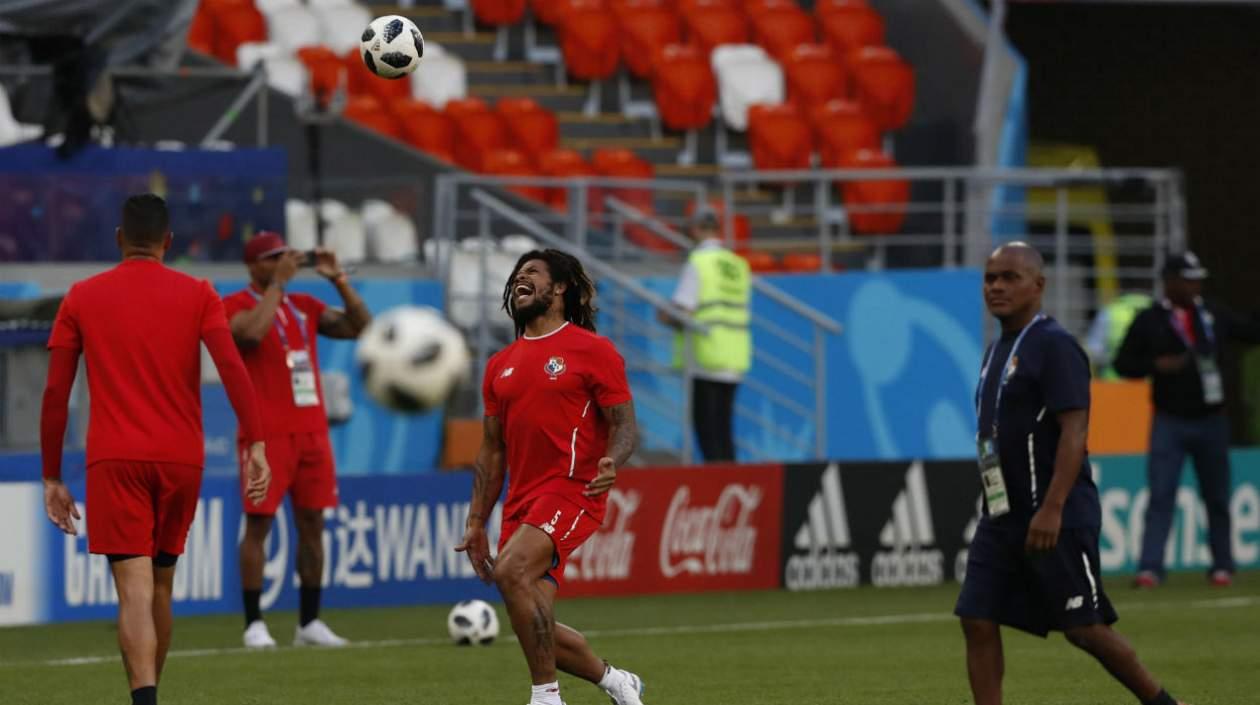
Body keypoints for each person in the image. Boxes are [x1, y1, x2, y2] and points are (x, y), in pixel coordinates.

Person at [39, 194, 270, 705]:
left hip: (115, 459)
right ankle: (151, 696)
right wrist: (256, 442)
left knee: (134, 591)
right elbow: (232, 367)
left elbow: (56, 392)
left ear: (120, 238)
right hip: (181, 459)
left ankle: (145, 701)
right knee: (161, 587)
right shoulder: (200, 293)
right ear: (168, 242)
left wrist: (52, 476)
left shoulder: (81, 296)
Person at [955, 242, 1186, 705]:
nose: (996, 286)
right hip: (1001, 514)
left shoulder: (1056, 346)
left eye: (1009, 277)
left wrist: (1053, 507)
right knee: (976, 617)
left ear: (1038, 286)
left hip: (1053, 514)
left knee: (1084, 629)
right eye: (990, 277)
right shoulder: (996, 350)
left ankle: (1165, 704)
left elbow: (1074, 432)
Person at [456, 249, 646, 705]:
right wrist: (476, 520)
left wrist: (611, 462)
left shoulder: (593, 350)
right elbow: (492, 448)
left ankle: (546, 698)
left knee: (512, 570)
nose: (520, 279)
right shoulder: (499, 364)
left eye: (533, 274)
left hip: (573, 488)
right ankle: (616, 681)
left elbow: (624, 426)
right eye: (517, 275)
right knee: (531, 615)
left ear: (559, 288)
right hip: (521, 499)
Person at [223, 231, 371, 648]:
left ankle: (309, 621)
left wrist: (338, 278)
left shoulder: (304, 306)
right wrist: (278, 284)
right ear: (253, 265)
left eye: (285, 256)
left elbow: (363, 327)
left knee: (313, 525)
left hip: (312, 432)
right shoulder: (232, 305)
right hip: (265, 437)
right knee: (259, 524)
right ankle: (254, 622)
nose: (282, 262)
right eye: (272, 258)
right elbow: (250, 335)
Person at [1113, 251, 1260, 588]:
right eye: (1188, 279)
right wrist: (1155, 365)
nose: (1195, 285)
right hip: (1170, 420)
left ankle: (1222, 565)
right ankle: (1150, 568)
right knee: (1161, 494)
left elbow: (1252, 333)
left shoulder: (1213, 314)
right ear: (1170, 281)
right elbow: (1123, 363)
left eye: (1197, 279)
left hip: (1212, 420)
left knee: (1218, 496)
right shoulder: (1149, 319)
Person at [657, 207, 751, 462]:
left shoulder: (699, 262)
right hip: (734, 351)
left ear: (695, 230)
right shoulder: (737, 263)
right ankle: (732, 481)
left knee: (707, 430)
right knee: (724, 428)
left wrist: (663, 315)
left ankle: (720, 483)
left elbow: (683, 308)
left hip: (705, 352)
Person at [1084, 291, 1152, 379]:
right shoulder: (1158, 312)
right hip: (1150, 385)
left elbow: (1094, 350)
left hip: (1114, 384)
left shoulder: (1110, 311)